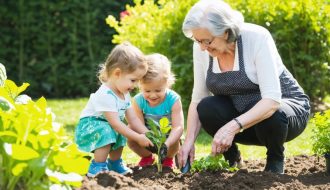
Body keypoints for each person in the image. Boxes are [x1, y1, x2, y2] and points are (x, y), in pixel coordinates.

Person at [178, 0, 310, 174]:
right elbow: (198, 98)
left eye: (207, 41)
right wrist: (189, 142)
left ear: (225, 32)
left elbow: (271, 101)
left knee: (272, 114)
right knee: (206, 107)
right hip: (242, 118)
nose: (202, 47)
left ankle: (275, 162)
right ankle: (232, 160)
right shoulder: (202, 47)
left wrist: (231, 126)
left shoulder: (256, 37)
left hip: (283, 116)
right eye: (198, 41)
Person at [74, 42, 153, 177]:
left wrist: (147, 133)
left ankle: (114, 163)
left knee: (122, 131)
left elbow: (133, 119)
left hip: (108, 126)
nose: (135, 85)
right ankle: (97, 166)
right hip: (90, 127)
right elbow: (115, 124)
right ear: (117, 73)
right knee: (110, 130)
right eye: (133, 80)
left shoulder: (125, 94)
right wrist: (138, 138)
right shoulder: (106, 94)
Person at [128, 53, 184, 169]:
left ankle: (168, 159)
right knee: (130, 133)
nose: (152, 95)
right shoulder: (138, 101)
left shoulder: (173, 99)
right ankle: (147, 157)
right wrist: (149, 136)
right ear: (140, 85)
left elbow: (178, 127)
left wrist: (166, 144)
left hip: (168, 136)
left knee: (175, 137)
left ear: (167, 84)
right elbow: (137, 124)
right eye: (147, 91)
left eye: (158, 90)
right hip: (147, 135)